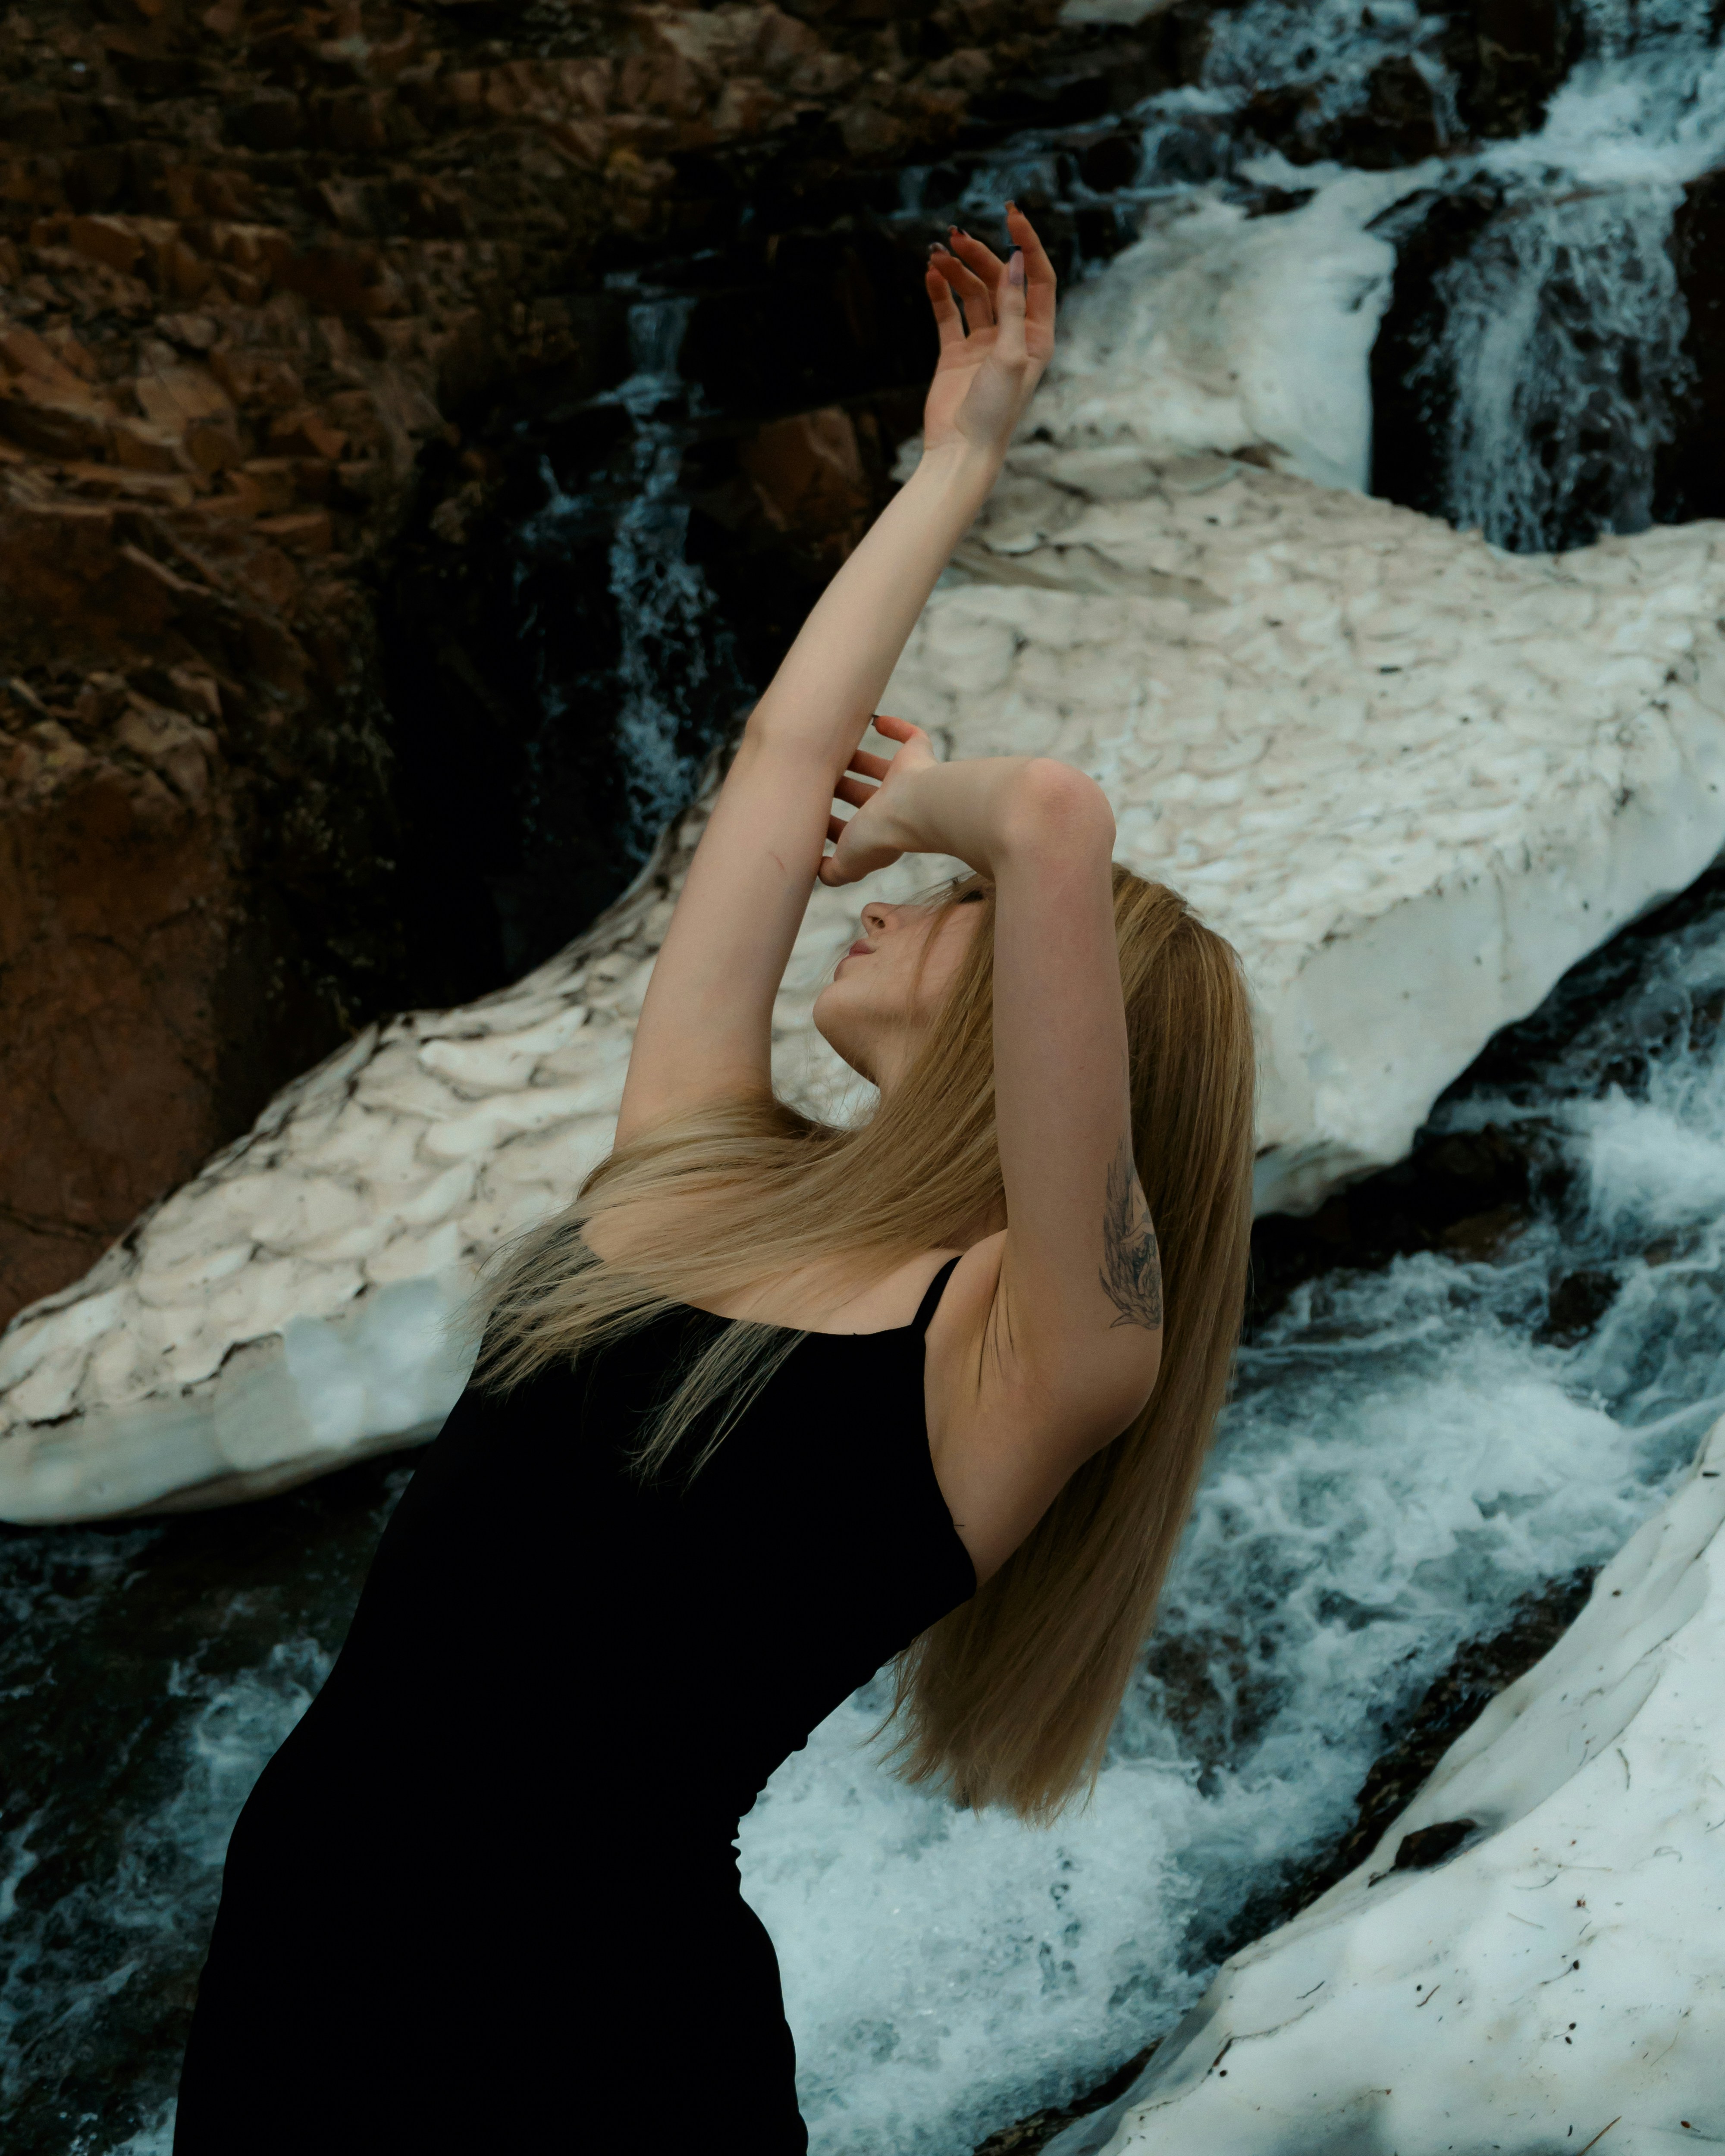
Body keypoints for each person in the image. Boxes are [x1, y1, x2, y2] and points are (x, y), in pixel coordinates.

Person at [172, 205, 1255, 2153]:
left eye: (940, 907)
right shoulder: (700, 1165)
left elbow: (1055, 819)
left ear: (1028, 1001)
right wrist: (954, 466)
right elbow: (769, 765)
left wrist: (942, 810)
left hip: (590, 2039)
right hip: (303, 1963)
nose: (877, 895)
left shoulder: (1033, 1349)